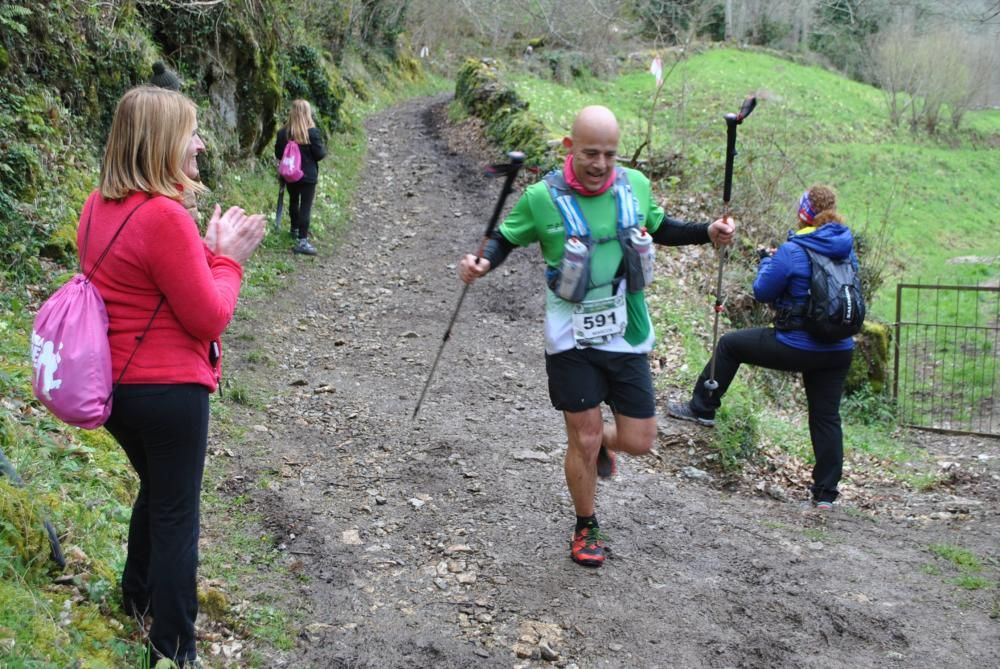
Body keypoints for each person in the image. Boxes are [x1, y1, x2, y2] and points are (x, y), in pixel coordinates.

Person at [459, 105, 734, 568]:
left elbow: (661, 226)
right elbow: (504, 238)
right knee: (582, 438)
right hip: (570, 334)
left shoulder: (636, 187)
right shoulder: (541, 198)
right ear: (570, 148)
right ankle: (586, 524)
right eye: (590, 153)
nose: (600, 164)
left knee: (640, 439)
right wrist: (483, 261)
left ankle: (606, 443)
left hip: (627, 328)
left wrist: (707, 232)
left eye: (609, 154)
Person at [80, 85, 265, 666]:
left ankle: (136, 597)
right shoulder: (164, 216)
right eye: (191, 132)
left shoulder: (97, 205)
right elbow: (210, 315)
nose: (201, 143)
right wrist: (227, 257)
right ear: (161, 143)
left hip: (117, 389)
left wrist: (207, 254)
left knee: (159, 492)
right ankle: (173, 648)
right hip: (169, 394)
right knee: (177, 514)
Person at [667, 184, 856, 512]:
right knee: (826, 417)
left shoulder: (794, 249)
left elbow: (763, 291)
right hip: (839, 349)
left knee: (729, 345)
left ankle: (702, 407)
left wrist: (765, 263)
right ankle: (825, 495)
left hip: (797, 344)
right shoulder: (846, 248)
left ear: (803, 213)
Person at [273, 99, 326, 255]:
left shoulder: (283, 133)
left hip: (290, 175)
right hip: (308, 176)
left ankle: (294, 229)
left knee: (293, 201)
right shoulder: (312, 133)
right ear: (307, 113)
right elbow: (320, 154)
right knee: (305, 207)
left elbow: (278, 154)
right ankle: (303, 241)